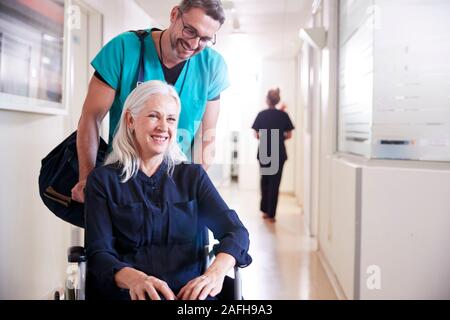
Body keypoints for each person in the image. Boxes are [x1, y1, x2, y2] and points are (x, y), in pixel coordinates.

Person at [84, 80, 251, 300]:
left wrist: (215, 273)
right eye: (154, 116)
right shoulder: (103, 181)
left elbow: (236, 232)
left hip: (189, 295)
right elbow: (99, 254)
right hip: (130, 294)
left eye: (171, 119)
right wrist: (135, 279)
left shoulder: (192, 177)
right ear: (130, 120)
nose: (164, 127)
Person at [72, 0, 229, 203]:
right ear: (174, 15)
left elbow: (206, 135)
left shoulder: (212, 65)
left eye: (205, 39)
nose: (194, 44)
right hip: (124, 178)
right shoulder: (124, 49)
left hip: (178, 184)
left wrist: (190, 184)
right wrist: (87, 178)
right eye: (190, 30)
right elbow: (90, 118)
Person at [251, 88, 295, 223]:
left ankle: (264, 210)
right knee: (275, 183)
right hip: (279, 152)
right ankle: (271, 215)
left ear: (267, 100)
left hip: (265, 151)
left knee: (265, 181)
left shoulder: (262, 115)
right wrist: (278, 138)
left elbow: (257, 135)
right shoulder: (284, 115)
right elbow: (289, 135)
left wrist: (266, 137)